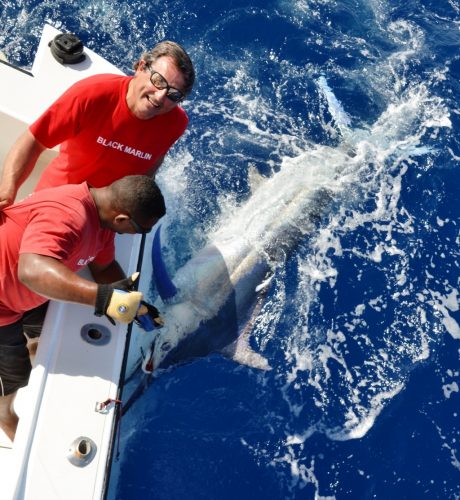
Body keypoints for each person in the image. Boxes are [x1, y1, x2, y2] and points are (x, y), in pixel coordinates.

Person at [0, 175, 165, 441]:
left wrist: (135, 303)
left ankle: (29, 345)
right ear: (122, 219)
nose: (139, 235)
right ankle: (5, 414)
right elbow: (30, 271)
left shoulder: (101, 221)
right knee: (14, 377)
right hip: (4, 307)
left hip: (27, 298)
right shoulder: (68, 215)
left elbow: (104, 267)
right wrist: (105, 299)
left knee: (46, 336)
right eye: (141, 230)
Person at [0, 40, 195, 208]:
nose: (161, 97)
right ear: (141, 67)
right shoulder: (92, 94)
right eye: (158, 81)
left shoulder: (176, 123)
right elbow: (33, 140)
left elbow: (155, 159)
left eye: (173, 94)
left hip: (106, 217)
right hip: (55, 200)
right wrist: (7, 192)